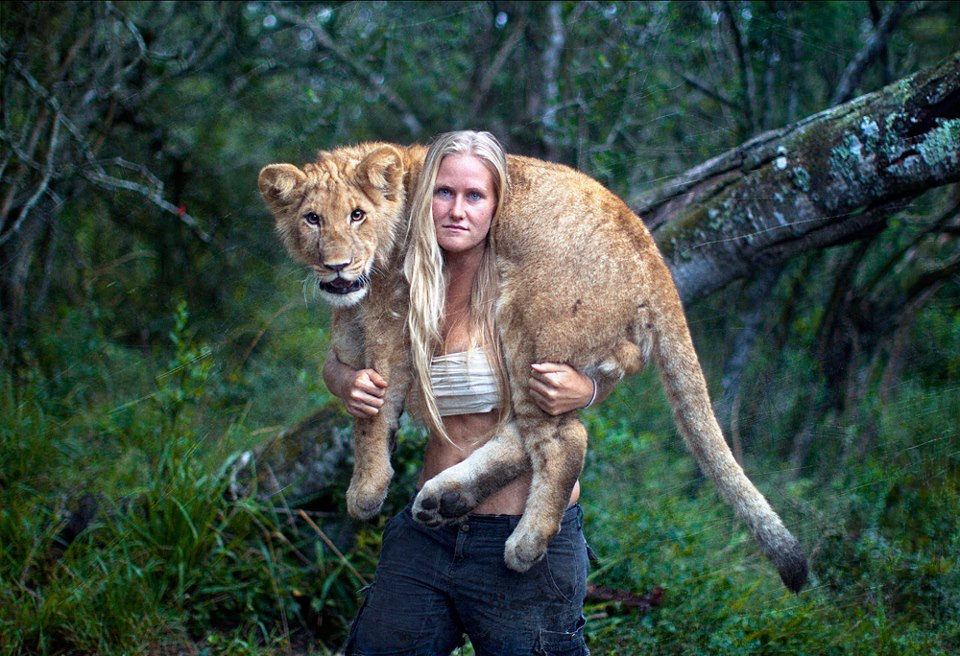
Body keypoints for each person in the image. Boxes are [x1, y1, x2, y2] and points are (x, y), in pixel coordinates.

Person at [323, 130, 611, 655]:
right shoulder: (399, 275)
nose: (457, 210)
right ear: (422, 196)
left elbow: (617, 354)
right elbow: (340, 357)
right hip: (430, 527)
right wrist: (348, 383)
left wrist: (587, 388)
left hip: (521, 531)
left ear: (499, 204)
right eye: (443, 192)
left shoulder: (532, 278)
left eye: (475, 195)